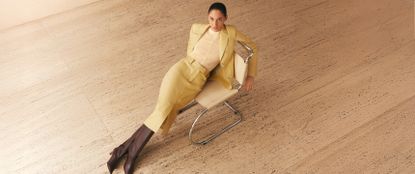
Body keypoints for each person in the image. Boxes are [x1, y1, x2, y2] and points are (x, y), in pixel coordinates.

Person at [107, 2, 258, 174]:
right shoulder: (197, 28)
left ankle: (123, 151)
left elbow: (253, 47)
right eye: (211, 19)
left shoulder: (231, 33)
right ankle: (130, 153)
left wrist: (250, 75)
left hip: (198, 79)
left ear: (225, 19)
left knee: (163, 110)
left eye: (219, 20)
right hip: (181, 69)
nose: (215, 24)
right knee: (162, 108)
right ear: (207, 17)